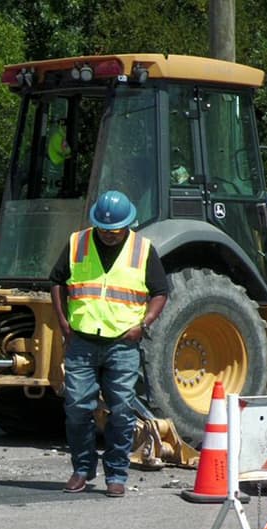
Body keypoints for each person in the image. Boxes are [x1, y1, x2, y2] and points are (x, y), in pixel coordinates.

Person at [49, 190, 169, 497]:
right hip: (82, 341)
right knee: (77, 407)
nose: (109, 235)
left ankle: (116, 473)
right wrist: (64, 323)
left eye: (115, 230)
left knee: (121, 410)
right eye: (104, 230)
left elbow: (159, 292)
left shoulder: (142, 249)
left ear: (128, 224)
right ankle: (82, 469)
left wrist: (143, 324)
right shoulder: (78, 243)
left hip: (123, 343)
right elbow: (57, 281)